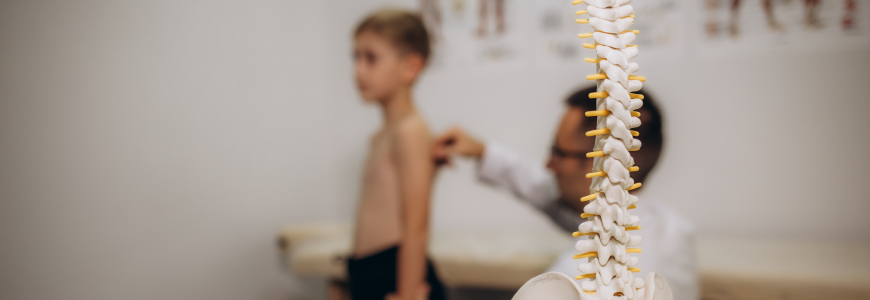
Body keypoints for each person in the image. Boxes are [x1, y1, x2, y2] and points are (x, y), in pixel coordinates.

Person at [432, 86, 698, 300]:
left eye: (558, 152)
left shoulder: (589, 278)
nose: (549, 165)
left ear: (602, 165)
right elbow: (546, 190)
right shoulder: (666, 227)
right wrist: (482, 152)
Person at [345, 9, 445, 300]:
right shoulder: (381, 136)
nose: (357, 70)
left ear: (410, 67)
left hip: (395, 276)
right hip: (368, 272)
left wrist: (408, 292)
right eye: (356, 57)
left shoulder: (410, 131)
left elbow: (416, 226)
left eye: (370, 58)